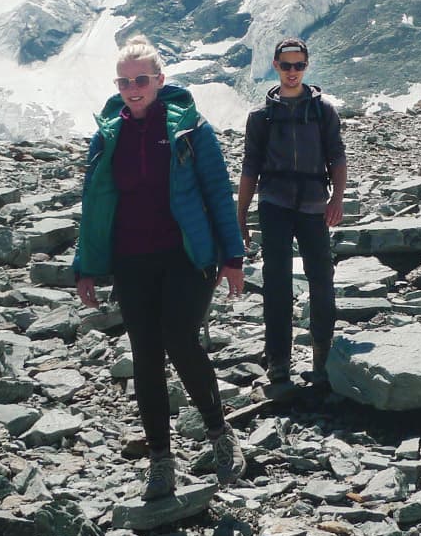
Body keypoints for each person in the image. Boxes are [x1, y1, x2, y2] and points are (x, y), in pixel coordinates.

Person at [74, 35, 248, 501]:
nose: (134, 88)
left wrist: (232, 258)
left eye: (142, 80)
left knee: (179, 338)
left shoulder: (191, 129)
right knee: (145, 355)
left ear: (159, 80)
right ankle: (160, 461)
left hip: (186, 255)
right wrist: (85, 267)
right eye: (125, 81)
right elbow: (94, 203)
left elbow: (217, 192)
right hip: (132, 259)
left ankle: (219, 433)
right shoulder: (108, 135)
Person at [236, 37, 348, 391]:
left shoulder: (323, 111)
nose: (293, 72)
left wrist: (337, 200)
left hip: (315, 203)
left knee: (322, 279)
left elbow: (337, 157)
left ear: (306, 67)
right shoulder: (261, 117)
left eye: (299, 65)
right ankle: (278, 360)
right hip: (275, 204)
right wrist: (240, 216)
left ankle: (322, 356)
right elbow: (250, 168)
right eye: (286, 66)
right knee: (277, 283)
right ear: (275, 66)